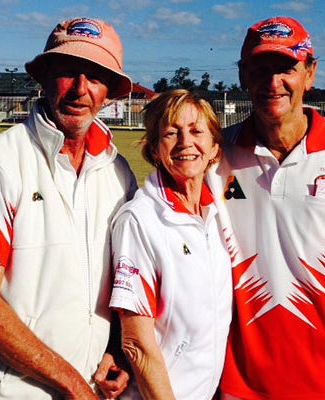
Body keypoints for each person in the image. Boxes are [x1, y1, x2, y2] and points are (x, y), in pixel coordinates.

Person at [208, 17, 325, 400]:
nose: (273, 82)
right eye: (260, 70)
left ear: (310, 74)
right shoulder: (215, 154)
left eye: (286, 68)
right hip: (234, 385)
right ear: (243, 76)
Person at [0, 17, 137, 399]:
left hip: (90, 388)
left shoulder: (118, 172)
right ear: (45, 76)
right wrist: (73, 385)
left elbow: (124, 284)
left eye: (95, 77)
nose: (80, 89)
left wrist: (117, 348)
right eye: (68, 72)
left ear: (109, 91)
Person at [109, 90, 234, 400]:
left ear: (214, 148)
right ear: (154, 149)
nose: (185, 143)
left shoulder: (221, 211)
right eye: (171, 133)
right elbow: (136, 343)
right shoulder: (139, 219)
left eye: (196, 131)